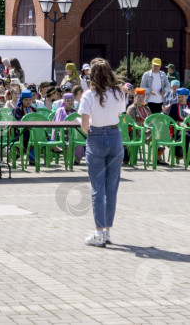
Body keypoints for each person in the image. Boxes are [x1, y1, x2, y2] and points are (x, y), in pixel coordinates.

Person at [79, 58, 129, 247]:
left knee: (97, 189)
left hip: (97, 137)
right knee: (112, 188)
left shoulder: (88, 95)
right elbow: (118, 114)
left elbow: (84, 126)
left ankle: (99, 232)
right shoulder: (118, 93)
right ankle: (106, 230)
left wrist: (91, 124)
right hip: (115, 136)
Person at [166, 87, 190, 160]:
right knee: (186, 135)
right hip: (177, 129)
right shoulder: (173, 106)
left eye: (182, 97)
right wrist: (178, 123)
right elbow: (169, 120)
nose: (180, 99)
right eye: (178, 97)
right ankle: (182, 154)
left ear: (186, 97)